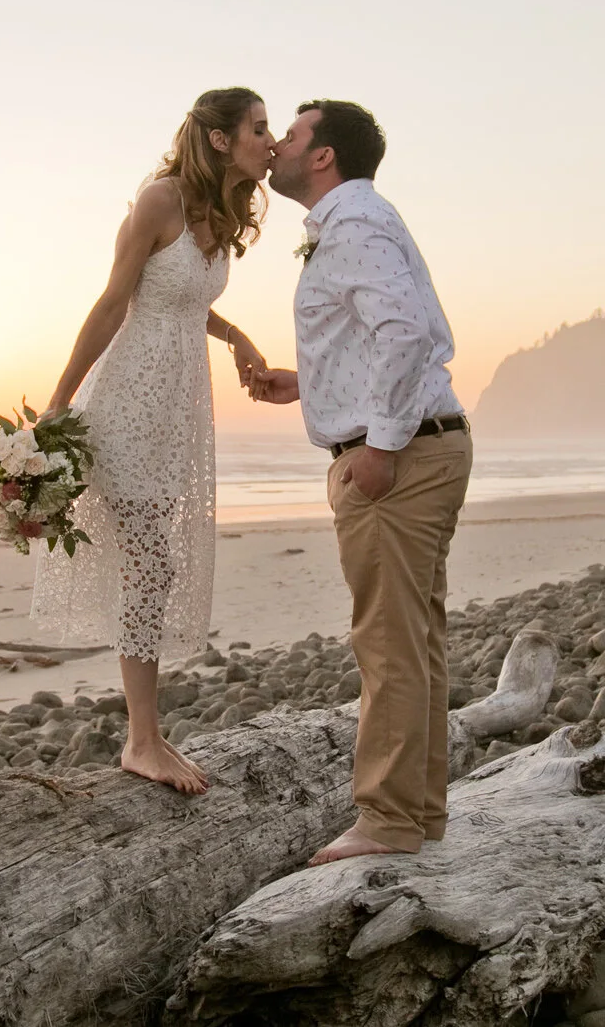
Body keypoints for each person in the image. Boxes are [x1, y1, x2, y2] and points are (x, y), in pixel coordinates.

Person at [31, 87, 275, 794]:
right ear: (222, 138)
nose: (272, 138)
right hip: (132, 399)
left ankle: (147, 732)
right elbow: (117, 300)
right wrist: (58, 400)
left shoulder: (224, 210)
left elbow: (187, 300)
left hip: (179, 410)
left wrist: (237, 335)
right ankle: (142, 739)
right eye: (260, 127)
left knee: (152, 563)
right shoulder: (159, 200)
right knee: (150, 564)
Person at [248, 99, 471, 864]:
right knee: (415, 640)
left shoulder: (353, 225)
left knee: (387, 645)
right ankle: (419, 813)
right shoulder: (350, 224)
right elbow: (374, 335)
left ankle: (386, 821)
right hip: (423, 448)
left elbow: (405, 333)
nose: (275, 144)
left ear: (323, 156)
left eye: (292, 133)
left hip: (401, 462)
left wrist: (377, 447)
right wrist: (304, 385)